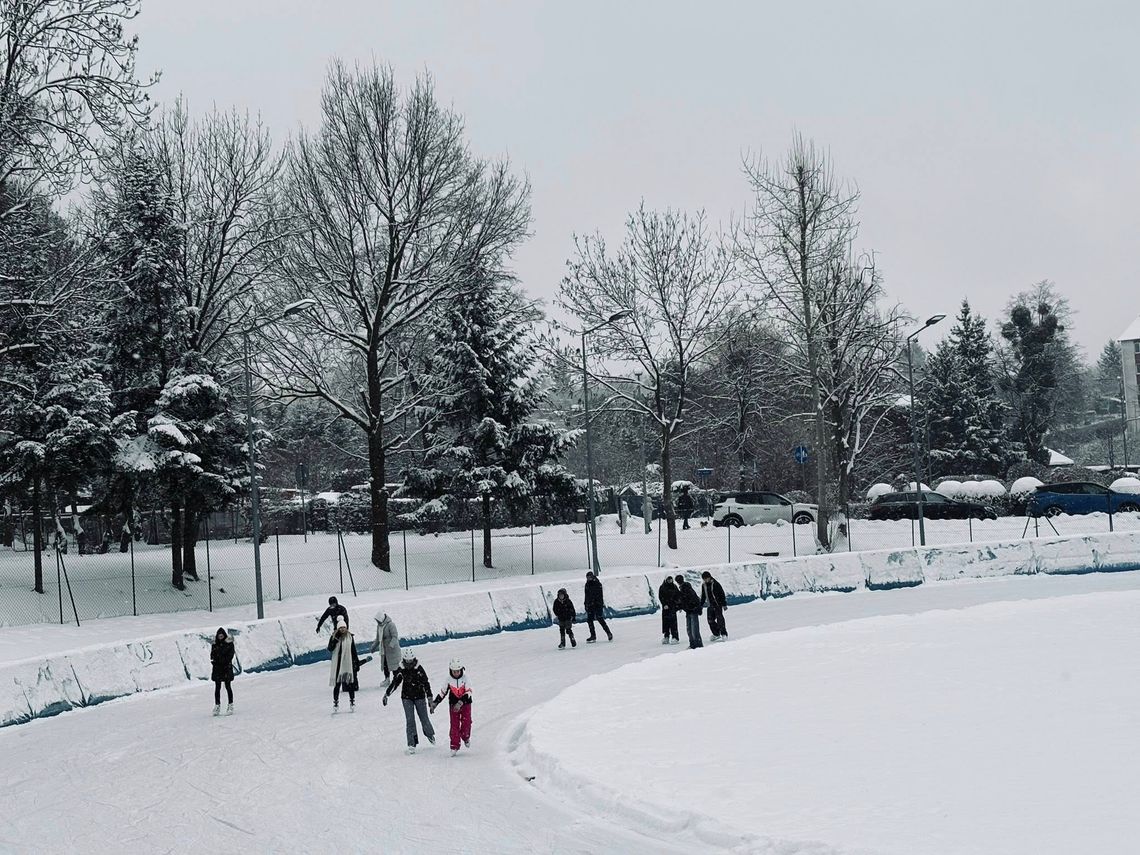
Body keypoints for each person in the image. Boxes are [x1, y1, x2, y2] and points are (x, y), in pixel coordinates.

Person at [383, 650, 436, 754]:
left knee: (424, 718)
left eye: (410, 661)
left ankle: (429, 734)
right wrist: (387, 694)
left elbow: (426, 683)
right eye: (407, 661)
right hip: (406, 697)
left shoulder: (419, 669)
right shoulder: (401, 669)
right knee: (410, 720)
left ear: (414, 659)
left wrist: (430, 698)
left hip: (420, 697)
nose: (409, 663)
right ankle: (412, 743)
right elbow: (395, 683)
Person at [431, 657, 473, 757]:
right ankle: (454, 746)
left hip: (466, 704)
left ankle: (465, 737)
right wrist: (435, 703)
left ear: (461, 669)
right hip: (453, 705)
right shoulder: (448, 680)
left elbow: (469, 692)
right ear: (450, 670)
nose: (456, 673)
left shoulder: (466, 678)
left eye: (458, 671)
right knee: (454, 725)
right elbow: (442, 693)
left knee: (466, 722)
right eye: (454, 671)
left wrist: (460, 702)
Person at [328, 621, 361, 712]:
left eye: (344, 627)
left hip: (347, 664)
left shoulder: (350, 637)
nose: (342, 629)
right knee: (337, 685)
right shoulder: (334, 637)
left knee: (350, 684)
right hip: (338, 665)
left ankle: (352, 702)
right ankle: (335, 702)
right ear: (338, 628)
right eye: (341, 628)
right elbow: (330, 648)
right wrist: (335, 640)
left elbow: (353, 650)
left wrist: (356, 662)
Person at [370, 611, 401, 686]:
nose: (377, 622)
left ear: (381, 619)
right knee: (385, 665)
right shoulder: (379, 626)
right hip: (384, 650)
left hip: (392, 650)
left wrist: (391, 645)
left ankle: (396, 679)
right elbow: (378, 639)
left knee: (394, 665)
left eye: (378, 620)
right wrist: (373, 647)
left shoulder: (391, 625)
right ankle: (387, 679)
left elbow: (395, 636)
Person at [210, 627, 236, 716]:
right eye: (219, 636)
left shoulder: (229, 644)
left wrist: (223, 661)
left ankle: (230, 705)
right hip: (217, 669)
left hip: (226, 668)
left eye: (222, 636)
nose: (220, 637)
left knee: (228, 686)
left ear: (224, 635)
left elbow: (230, 655)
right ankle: (217, 705)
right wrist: (214, 661)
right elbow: (212, 655)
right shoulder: (215, 644)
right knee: (217, 687)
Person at [583, 571, 613, 643]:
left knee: (600, 619)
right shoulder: (587, 584)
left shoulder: (597, 583)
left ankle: (609, 633)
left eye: (589, 577)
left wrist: (597, 603)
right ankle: (593, 636)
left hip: (597, 605)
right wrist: (586, 604)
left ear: (592, 577)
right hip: (590, 605)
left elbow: (599, 595)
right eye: (587, 577)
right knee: (589, 620)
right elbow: (586, 596)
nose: (588, 579)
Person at [676, 574, 703, 649]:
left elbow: (692, 599)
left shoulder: (686, 588)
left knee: (694, 629)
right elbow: (684, 601)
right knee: (690, 629)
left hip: (693, 610)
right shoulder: (683, 589)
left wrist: (696, 608)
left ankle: (698, 645)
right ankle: (693, 644)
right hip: (689, 611)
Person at [700, 570, 729, 641]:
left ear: (710, 577)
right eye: (704, 579)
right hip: (710, 605)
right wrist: (701, 605)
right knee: (710, 620)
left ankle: (724, 634)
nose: (705, 580)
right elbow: (703, 596)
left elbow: (722, 594)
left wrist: (724, 604)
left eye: (706, 578)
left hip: (717, 604)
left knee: (720, 619)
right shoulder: (704, 585)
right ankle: (716, 633)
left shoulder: (716, 584)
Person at [657, 576, 680, 645]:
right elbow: (661, 596)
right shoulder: (662, 587)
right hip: (665, 608)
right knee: (666, 623)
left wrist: (678, 605)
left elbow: (678, 596)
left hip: (672, 607)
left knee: (673, 623)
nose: (670, 580)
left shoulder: (674, 586)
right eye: (668, 579)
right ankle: (666, 636)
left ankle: (675, 637)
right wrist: (664, 604)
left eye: (671, 579)